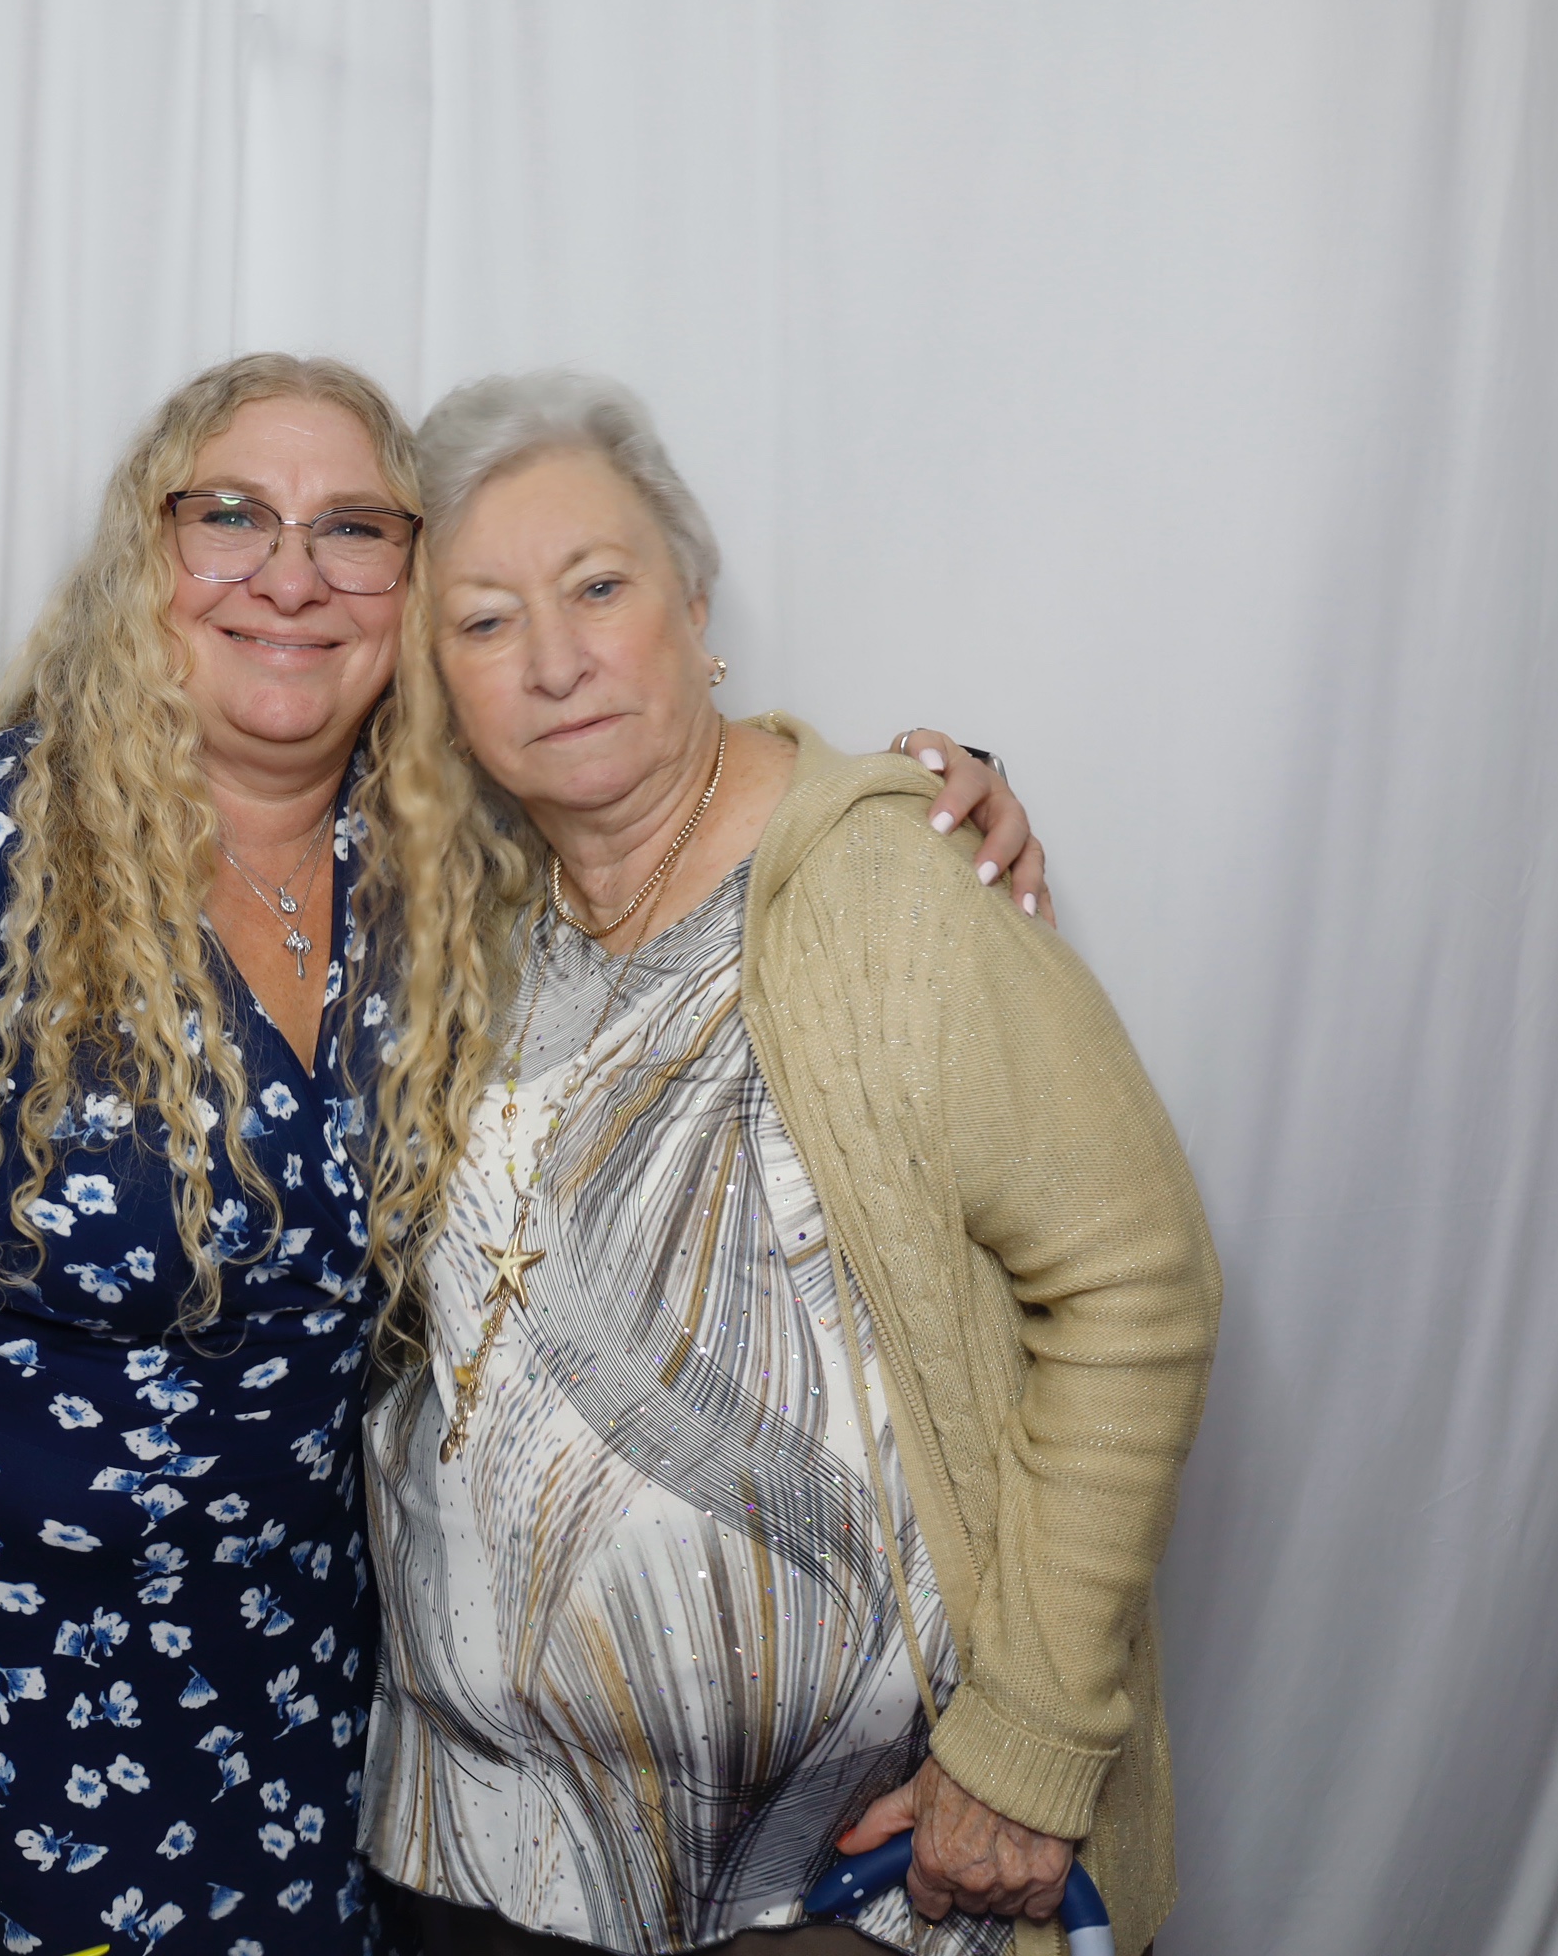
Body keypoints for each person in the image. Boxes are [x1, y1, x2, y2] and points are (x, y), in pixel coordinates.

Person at [0, 351, 1041, 1956]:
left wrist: (898, 800)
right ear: (146, 557)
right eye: (232, 516)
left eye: (354, 528)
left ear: (413, 591)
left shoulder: (440, 866)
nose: (291, 575)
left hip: (270, 1720)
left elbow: (656, 770)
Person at [361, 370, 1221, 1956]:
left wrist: (1030, 1746)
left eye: (598, 588)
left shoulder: (885, 886)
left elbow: (1136, 1288)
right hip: (483, 1851)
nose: (554, 660)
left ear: (695, 609)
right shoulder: (463, 924)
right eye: (484, 623)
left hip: (855, 1879)